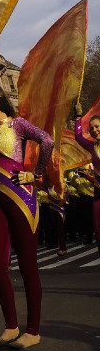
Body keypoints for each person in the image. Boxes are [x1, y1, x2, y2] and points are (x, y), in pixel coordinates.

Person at [0, 62, 53, 349]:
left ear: (1, 101)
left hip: (22, 199)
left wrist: (37, 174)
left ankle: (33, 330)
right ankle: (10, 326)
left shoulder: (18, 125)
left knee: (28, 266)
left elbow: (46, 140)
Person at [72, 104, 100, 259]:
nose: (94, 130)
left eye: (97, 126)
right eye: (92, 128)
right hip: (98, 196)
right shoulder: (92, 146)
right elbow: (78, 137)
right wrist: (78, 116)